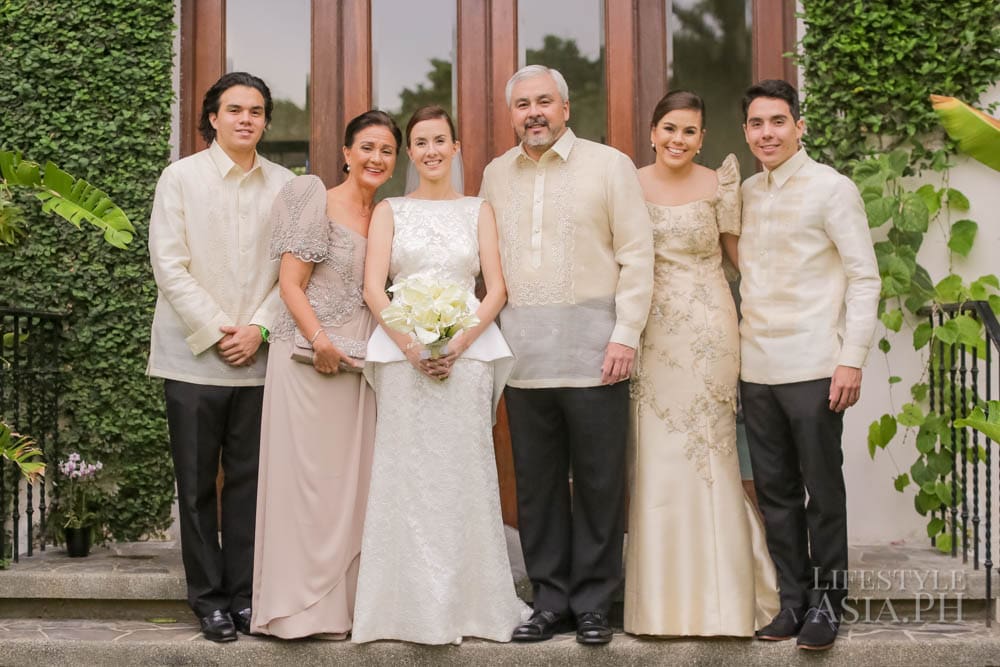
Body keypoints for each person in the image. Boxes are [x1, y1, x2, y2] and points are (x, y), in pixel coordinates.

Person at [479, 65, 654, 645]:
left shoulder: (610, 166)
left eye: (545, 102)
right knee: (538, 485)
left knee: (602, 482)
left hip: (597, 354)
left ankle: (596, 603)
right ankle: (550, 599)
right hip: (523, 359)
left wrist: (625, 334)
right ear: (511, 114)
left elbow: (637, 256)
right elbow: (485, 264)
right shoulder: (494, 175)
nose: (534, 112)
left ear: (566, 108)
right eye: (523, 103)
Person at [352, 105, 530, 645]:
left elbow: (495, 287)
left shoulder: (479, 209)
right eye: (421, 142)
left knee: (464, 476)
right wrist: (410, 344)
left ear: (456, 148)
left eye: (440, 140)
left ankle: (472, 605)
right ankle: (400, 607)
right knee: (406, 478)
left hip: (465, 359)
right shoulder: (390, 210)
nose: (431, 150)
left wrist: (456, 342)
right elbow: (372, 287)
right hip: (403, 360)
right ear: (411, 153)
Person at [623, 90, 779, 637]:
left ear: (703, 138)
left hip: (710, 327)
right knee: (657, 452)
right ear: (651, 131)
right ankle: (660, 604)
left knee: (709, 452)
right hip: (651, 329)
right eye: (669, 128)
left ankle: (725, 598)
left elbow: (742, 260)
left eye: (689, 131)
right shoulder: (628, 183)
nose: (677, 140)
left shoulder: (720, 184)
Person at [147, 72, 294, 642]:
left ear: (264, 121)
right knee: (197, 485)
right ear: (213, 116)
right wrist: (217, 328)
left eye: (256, 111)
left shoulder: (285, 184)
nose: (245, 119)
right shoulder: (179, 179)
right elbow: (169, 264)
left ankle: (243, 597)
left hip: (260, 362)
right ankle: (207, 600)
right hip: (190, 359)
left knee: (250, 486)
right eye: (235, 109)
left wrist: (258, 327)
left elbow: (294, 270)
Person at [738, 79, 880, 651]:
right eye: (755, 123)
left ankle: (828, 603)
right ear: (746, 131)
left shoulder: (832, 189)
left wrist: (852, 359)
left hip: (817, 363)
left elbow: (865, 278)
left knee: (822, 491)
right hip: (757, 367)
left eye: (777, 121)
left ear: (800, 125)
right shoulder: (747, 192)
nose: (766, 133)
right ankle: (791, 601)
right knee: (774, 493)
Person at [250, 111, 400, 639]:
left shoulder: (386, 215)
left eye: (386, 150)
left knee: (349, 486)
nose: (375, 158)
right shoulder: (312, 193)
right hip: (307, 360)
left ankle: (343, 609)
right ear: (345, 151)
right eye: (366, 147)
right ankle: (296, 610)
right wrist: (320, 342)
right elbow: (291, 284)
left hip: (359, 366)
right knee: (305, 484)